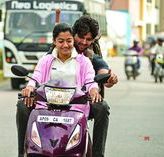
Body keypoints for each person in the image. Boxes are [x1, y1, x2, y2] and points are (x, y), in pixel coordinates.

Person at [17, 23, 102, 157]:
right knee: (22, 105)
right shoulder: (46, 60)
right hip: (46, 105)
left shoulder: (84, 61)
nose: (65, 45)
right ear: (54, 41)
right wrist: (29, 87)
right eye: (61, 41)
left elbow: (90, 81)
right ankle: (22, 152)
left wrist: (93, 91)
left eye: (69, 41)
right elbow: (36, 77)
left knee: (103, 107)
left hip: (75, 106)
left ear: (73, 40)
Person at [72, 15, 118, 157]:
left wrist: (109, 79)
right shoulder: (56, 51)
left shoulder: (90, 58)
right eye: (81, 37)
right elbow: (39, 74)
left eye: (88, 39)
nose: (84, 42)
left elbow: (104, 74)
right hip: (54, 101)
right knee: (23, 105)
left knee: (102, 106)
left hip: (82, 103)